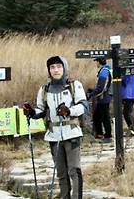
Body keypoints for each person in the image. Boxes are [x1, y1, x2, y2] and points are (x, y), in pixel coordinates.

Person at [22, 56, 87, 199]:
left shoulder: (74, 85)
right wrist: (31, 112)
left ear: (64, 68)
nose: (56, 70)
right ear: (49, 71)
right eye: (52, 67)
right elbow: (41, 110)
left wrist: (69, 111)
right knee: (61, 173)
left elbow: (83, 106)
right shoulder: (44, 89)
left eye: (59, 66)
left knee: (74, 170)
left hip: (72, 134)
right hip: (53, 135)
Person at [90, 58, 112, 142]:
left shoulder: (104, 71)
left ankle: (107, 135)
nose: (96, 63)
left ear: (99, 62)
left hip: (103, 97)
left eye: (96, 61)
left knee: (104, 116)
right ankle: (100, 134)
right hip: (106, 96)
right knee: (98, 116)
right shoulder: (108, 69)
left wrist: (92, 94)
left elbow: (101, 87)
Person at [121, 66, 134, 137]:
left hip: (128, 92)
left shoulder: (126, 68)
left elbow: (123, 79)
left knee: (126, 112)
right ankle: (132, 129)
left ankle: (132, 129)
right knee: (129, 111)